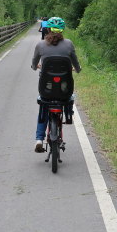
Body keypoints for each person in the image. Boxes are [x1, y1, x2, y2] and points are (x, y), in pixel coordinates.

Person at [30, 16, 81, 152]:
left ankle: (39, 139)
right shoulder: (69, 44)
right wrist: (77, 69)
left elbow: (34, 64)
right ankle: (68, 113)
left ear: (47, 29)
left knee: (44, 106)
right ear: (62, 30)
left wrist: (36, 67)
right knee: (69, 98)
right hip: (64, 89)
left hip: (46, 88)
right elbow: (75, 62)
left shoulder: (40, 45)